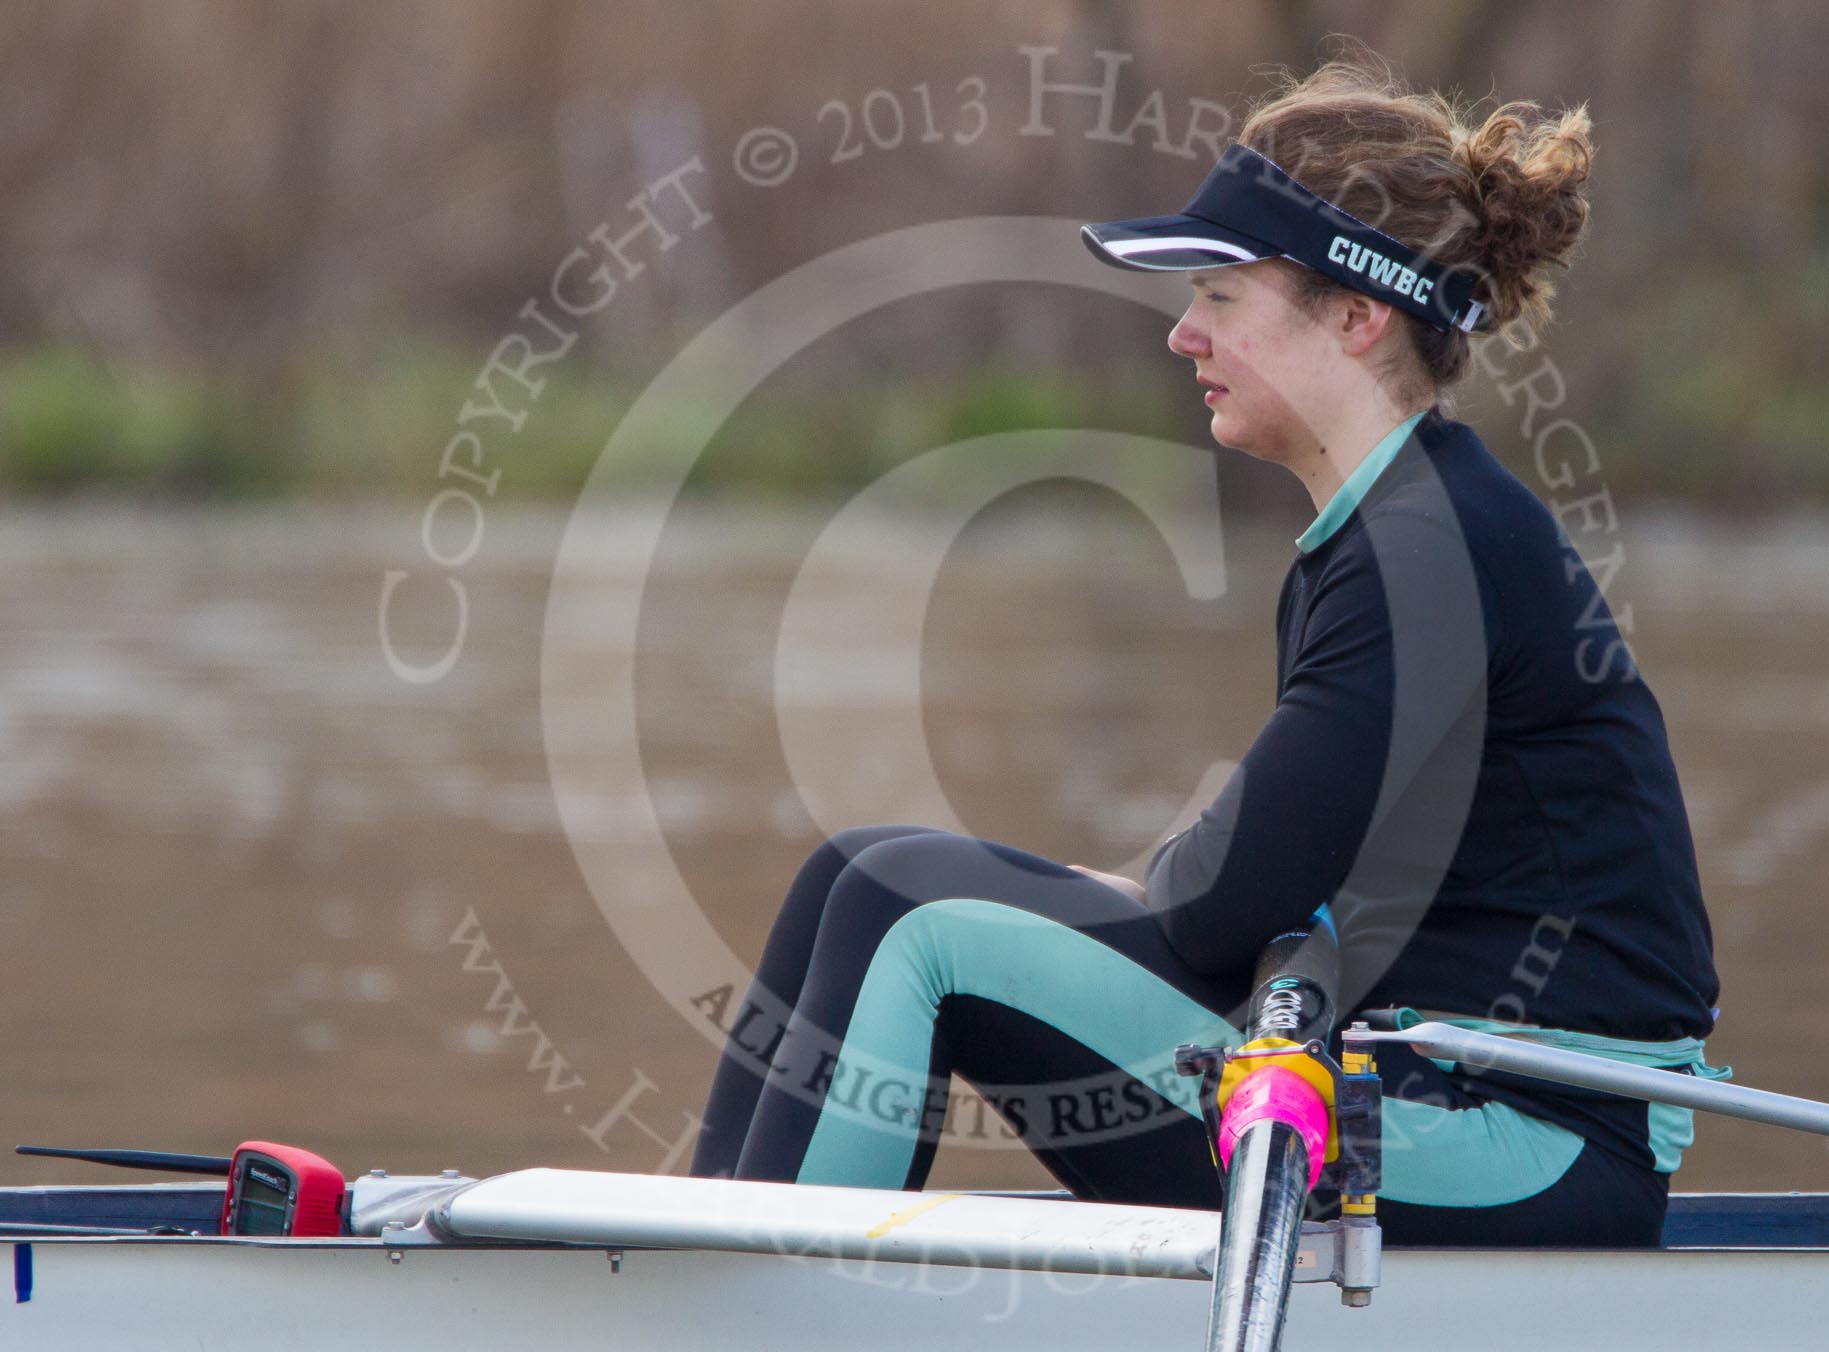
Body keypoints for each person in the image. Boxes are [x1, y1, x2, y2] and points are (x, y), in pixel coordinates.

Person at [691, 54, 1721, 1247]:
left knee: (907, 912)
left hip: (1531, 1141)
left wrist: (1162, 887)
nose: (1182, 334)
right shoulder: (1398, 525)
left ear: (1355, 315)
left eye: (1221, 299)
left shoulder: (1432, 550)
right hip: (1408, 1078)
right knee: (853, 872)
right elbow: (1254, 887)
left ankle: (752, 1302)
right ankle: (695, 1254)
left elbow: (1224, 907)